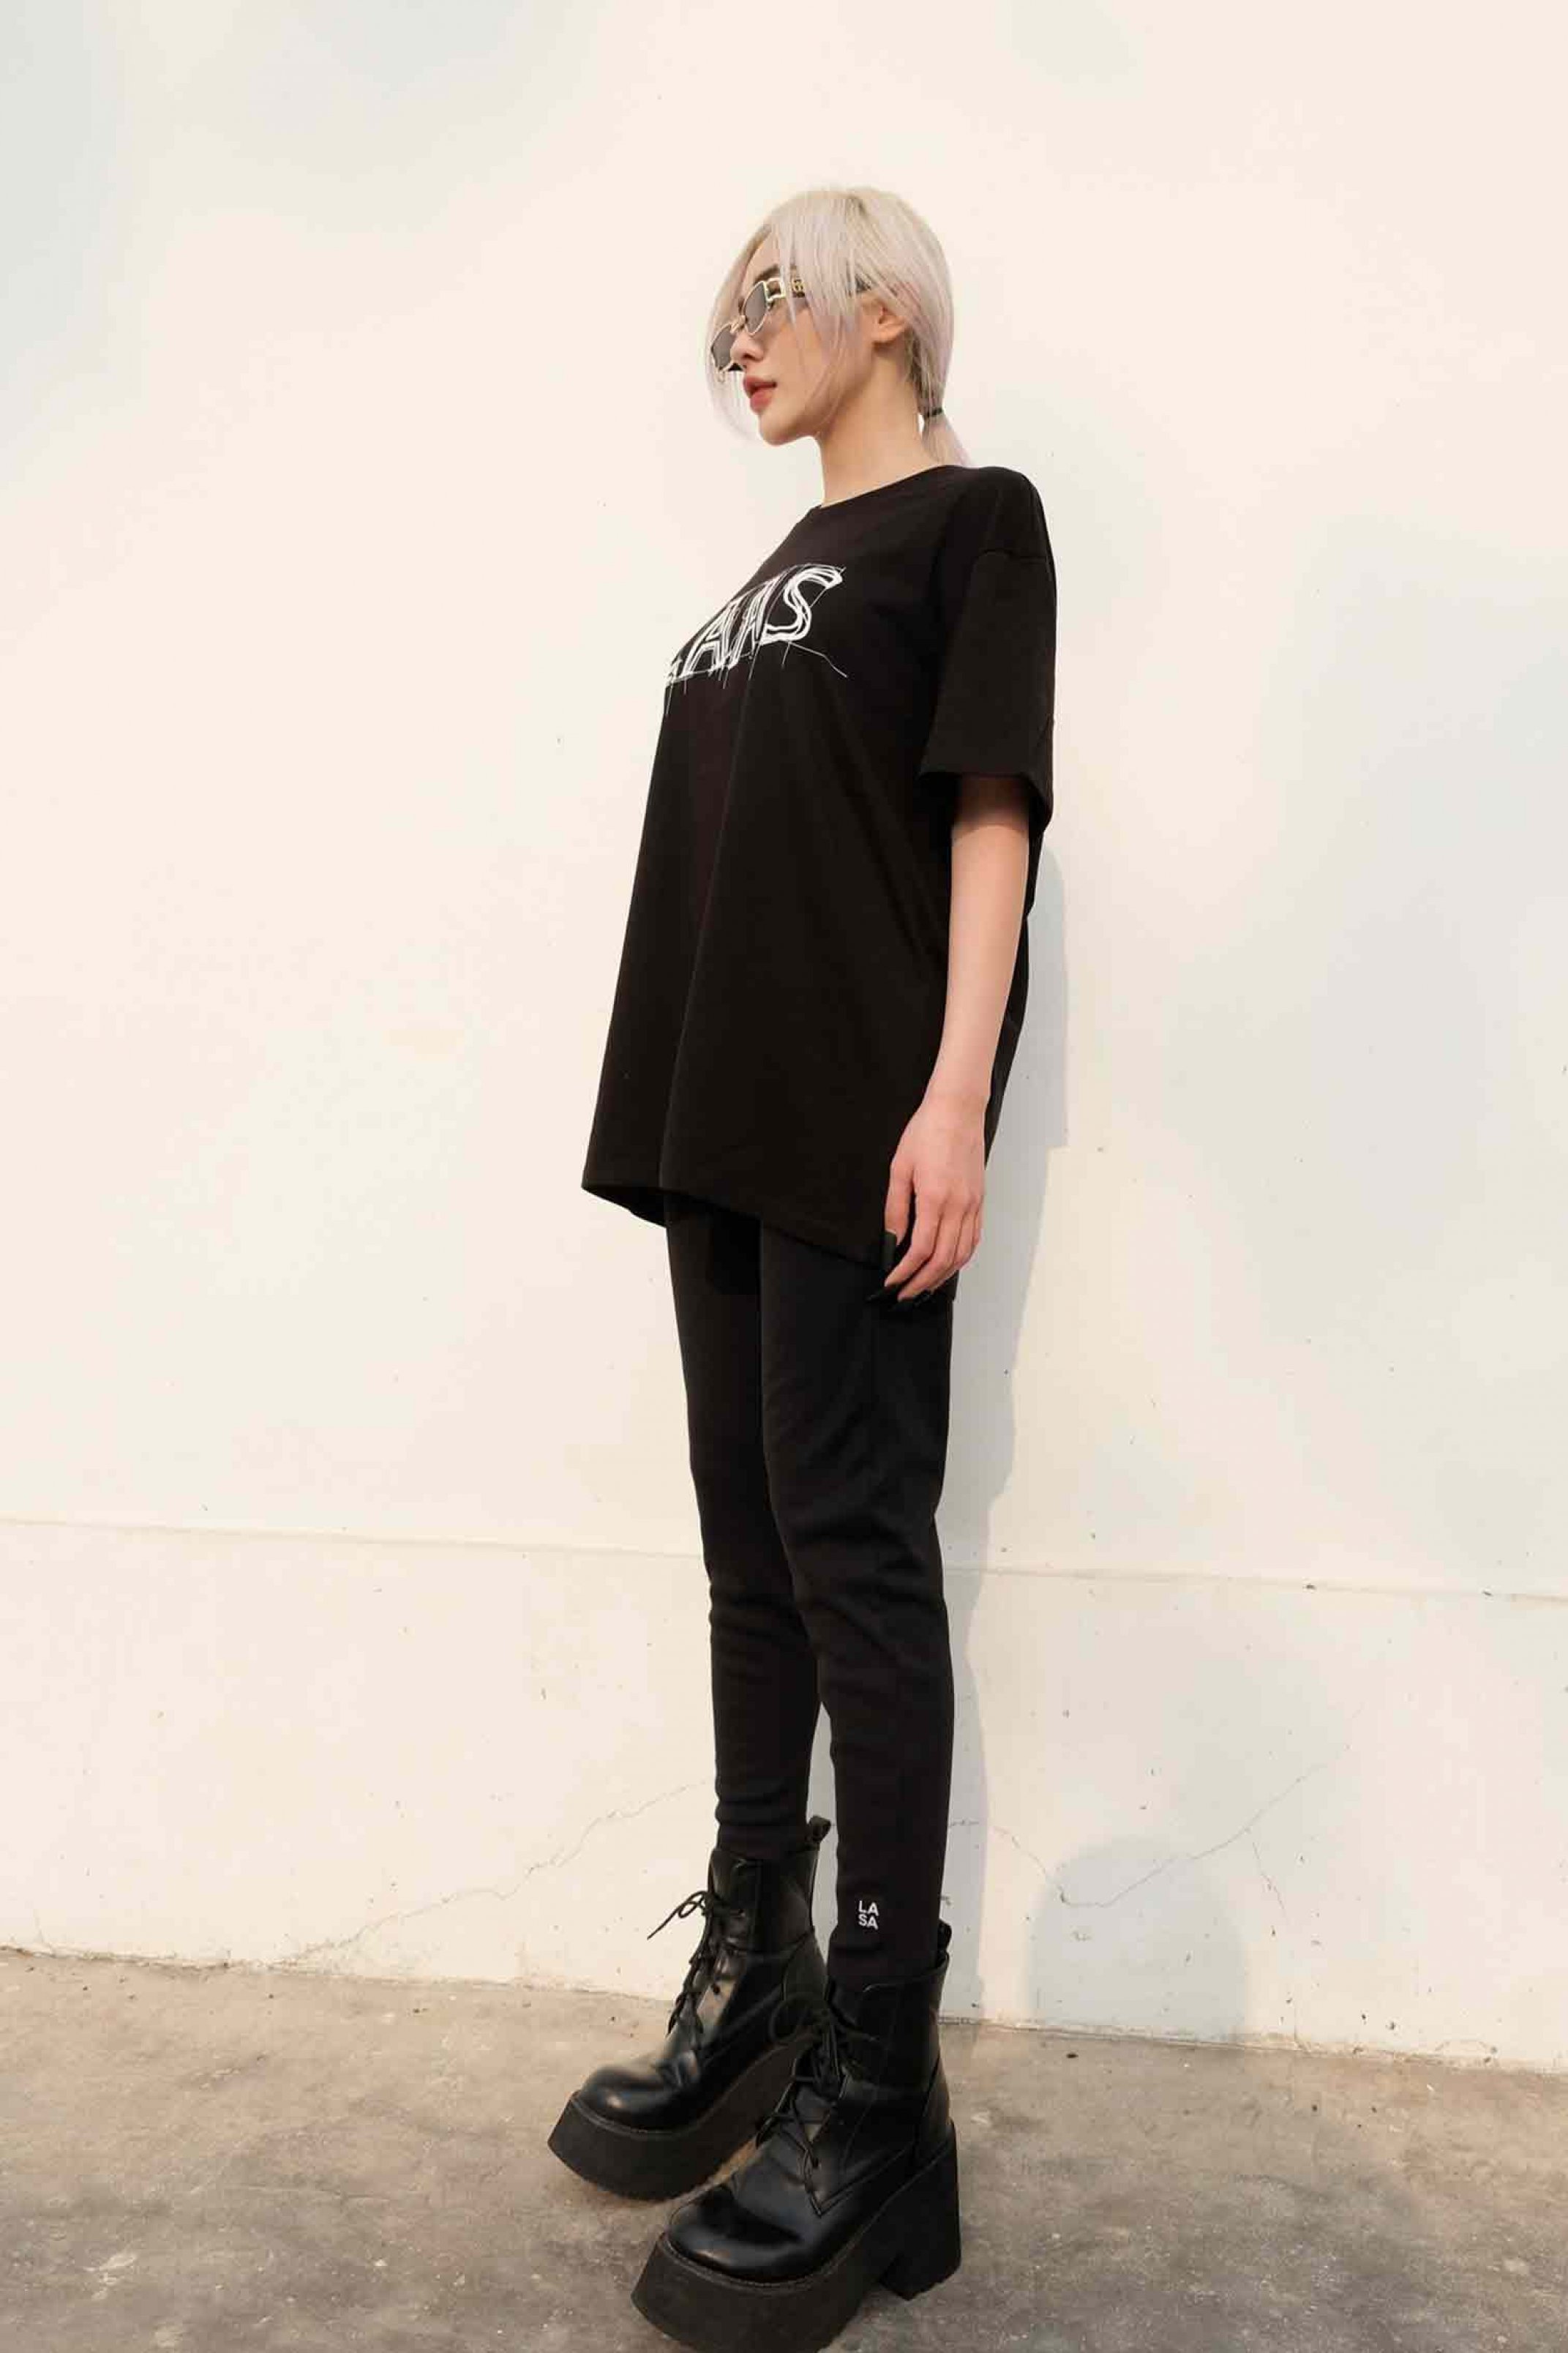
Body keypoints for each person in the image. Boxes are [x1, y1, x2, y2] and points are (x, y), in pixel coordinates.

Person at [551, 183, 1057, 2352]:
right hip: (722, 1122)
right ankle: (757, 1973)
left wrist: (953, 1098)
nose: (741, 341)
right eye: (726, 320)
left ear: (887, 309)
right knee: (750, 1554)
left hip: (859, 1116)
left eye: (771, 300)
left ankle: (877, 2084)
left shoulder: (972, 524)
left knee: (856, 1555)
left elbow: (988, 810)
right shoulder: (764, 577)